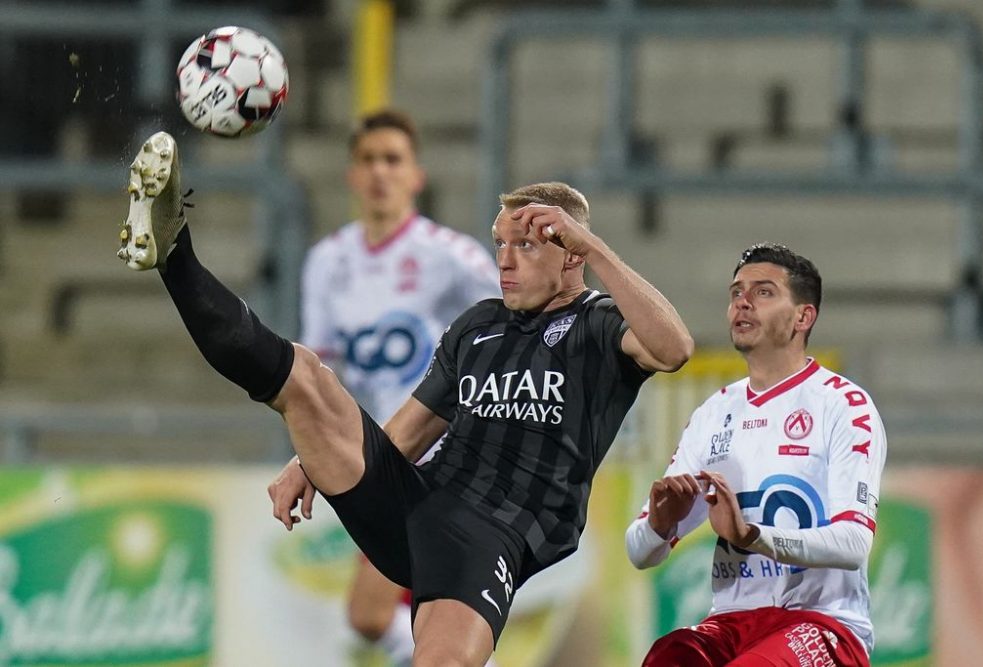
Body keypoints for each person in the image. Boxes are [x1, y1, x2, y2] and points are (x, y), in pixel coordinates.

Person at [117, 132, 693, 666]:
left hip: (494, 531)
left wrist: (595, 245)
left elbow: (675, 348)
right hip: (417, 499)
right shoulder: (477, 326)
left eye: (525, 244)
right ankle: (175, 254)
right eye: (500, 243)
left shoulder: (600, 325)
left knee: (440, 660)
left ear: (571, 254)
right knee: (308, 379)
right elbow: (410, 431)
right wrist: (312, 462)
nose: (505, 259)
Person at [296, 109, 499, 664]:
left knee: (375, 612)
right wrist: (315, 457)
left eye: (393, 160)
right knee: (381, 618)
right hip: (373, 461)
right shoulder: (326, 262)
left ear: (417, 176)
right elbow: (317, 374)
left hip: (443, 460)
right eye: (368, 160)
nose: (380, 172)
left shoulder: (453, 259)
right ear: (352, 176)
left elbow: (508, 340)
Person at [626, 243, 886, 667]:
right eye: (735, 293)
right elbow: (640, 552)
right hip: (733, 623)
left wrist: (751, 536)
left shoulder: (843, 404)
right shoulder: (713, 414)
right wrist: (661, 520)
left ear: (804, 316)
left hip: (825, 625)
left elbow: (854, 544)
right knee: (667, 657)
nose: (742, 302)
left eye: (763, 292)